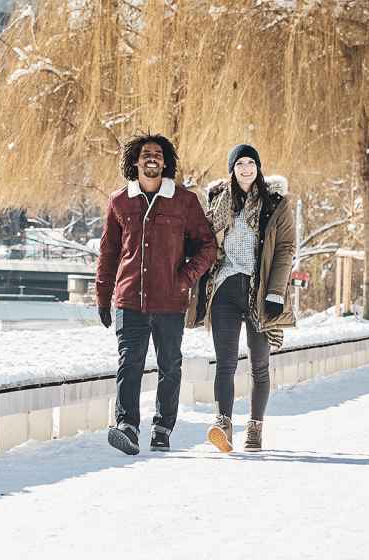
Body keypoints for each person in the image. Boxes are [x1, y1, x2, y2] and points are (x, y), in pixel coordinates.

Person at [95, 133, 217, 455]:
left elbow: (208, 246)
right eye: (146, 153)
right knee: (129, 363)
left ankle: (162, 427)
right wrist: (102, 296)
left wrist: (186, 278)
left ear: (166, 162)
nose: (152, 158)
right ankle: (128, 427)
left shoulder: (184, 201)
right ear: (135, 161)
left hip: (170, 300)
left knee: (170, 365)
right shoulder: (119, 201)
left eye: (158, 154)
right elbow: (108, 253)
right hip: (129, 298)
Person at [186, 144, 298, 452]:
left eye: (251, 163)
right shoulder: (219, 202)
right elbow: (203, 241)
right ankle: (223, 423)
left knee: (259, 363)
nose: (246, 168)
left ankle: (255, 427)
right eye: (240, 164)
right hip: (224, 290)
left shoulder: (275, 203)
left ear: (258, 167)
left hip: (260, 293)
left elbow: (286, 248)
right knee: (225, 362)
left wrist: (275, 291)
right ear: (232, 169)